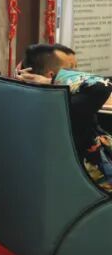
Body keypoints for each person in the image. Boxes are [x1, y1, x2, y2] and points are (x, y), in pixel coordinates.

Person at [17, 43, 112, 193]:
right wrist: (52, 82)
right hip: (92, 182)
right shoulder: (62, 103)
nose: (78, 74)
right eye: (70, 70)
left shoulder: (21, 96)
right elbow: (102, 85)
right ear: (51, 75)